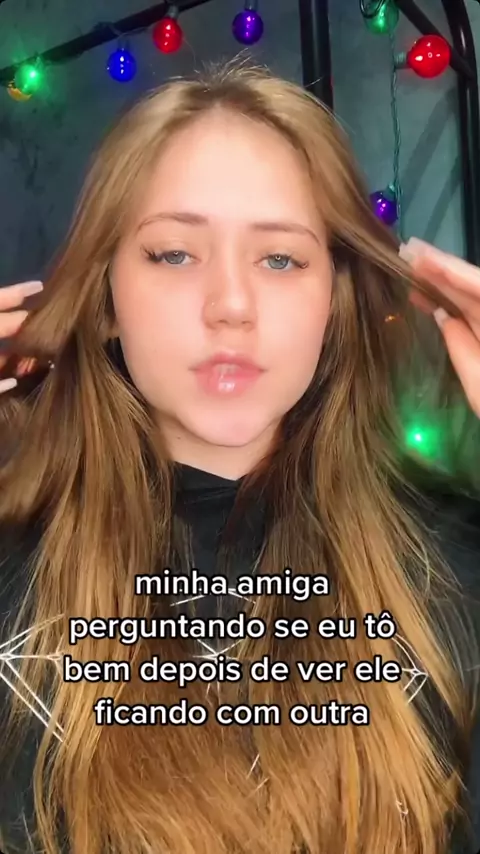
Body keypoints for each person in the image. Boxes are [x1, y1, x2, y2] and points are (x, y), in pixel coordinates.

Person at [0, 61, 480, 854]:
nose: (231, 305)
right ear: (106, 297)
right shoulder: (13, 575)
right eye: (173, 254)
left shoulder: (455, 572)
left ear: (334, 302)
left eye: (281, 259)